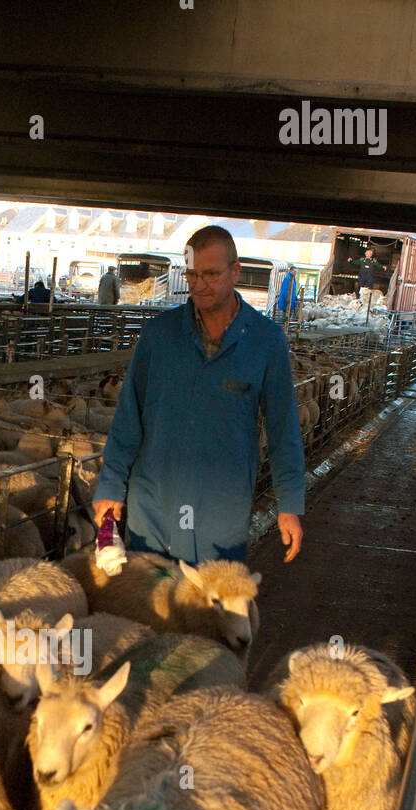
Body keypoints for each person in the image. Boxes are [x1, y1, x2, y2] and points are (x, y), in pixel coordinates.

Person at [92, 224, 304, 565]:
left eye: (210, 274)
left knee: (208, 613)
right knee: (152, 608)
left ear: (235, 272)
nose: (199, 286)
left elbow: (283, 429)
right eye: (191, 275)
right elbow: (128, 418)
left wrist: (289, 504)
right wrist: (111, 485)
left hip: (219, 515)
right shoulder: (159, 336)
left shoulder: (266, 341)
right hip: (153, 509)